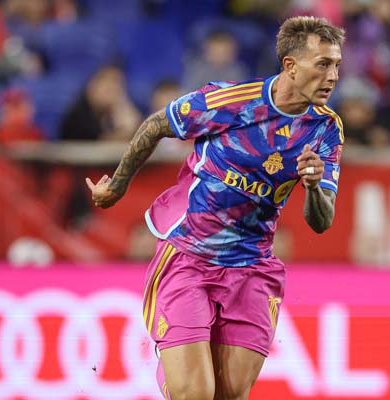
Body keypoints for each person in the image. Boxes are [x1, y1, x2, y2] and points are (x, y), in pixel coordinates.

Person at [85, 16, 345, 400]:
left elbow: (322, 222)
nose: (333, 75)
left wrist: (312, 187)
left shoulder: (326, 129)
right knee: (196, 393)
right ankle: (175, 371)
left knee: (231, 392)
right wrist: (118, 185)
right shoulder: (230, 102)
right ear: (290, 65)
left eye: (337, 64)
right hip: (189, 257)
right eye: (323, 64)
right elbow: (158, 124)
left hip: (252, 268)